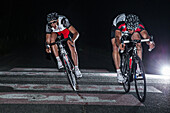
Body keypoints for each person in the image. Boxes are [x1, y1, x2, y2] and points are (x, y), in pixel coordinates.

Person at [111, 13, 155, 83]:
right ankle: (118, 72)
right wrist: (119, 44)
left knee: (138, 41)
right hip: (118, 29)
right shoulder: (121, 25)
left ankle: (138, 66)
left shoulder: (139, 26)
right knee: (115, 46)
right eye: (129, 29)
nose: (131, 31)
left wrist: (149, 42)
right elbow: (117, 38)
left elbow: (146, 36)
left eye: (132, 29)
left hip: (133, 30)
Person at [45, 12, 82, 78]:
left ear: (57, 20)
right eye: (50, 23)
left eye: (54, 22)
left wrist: (73, 40)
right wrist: (47, 46)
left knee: (70, 44)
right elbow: (47, 39)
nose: (52, 24)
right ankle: (58, 60)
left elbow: (76, 33)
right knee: (52, 41)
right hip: (56, 33)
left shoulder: (63, 21)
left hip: (65, 30)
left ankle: (76, 68)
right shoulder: (48, 26)